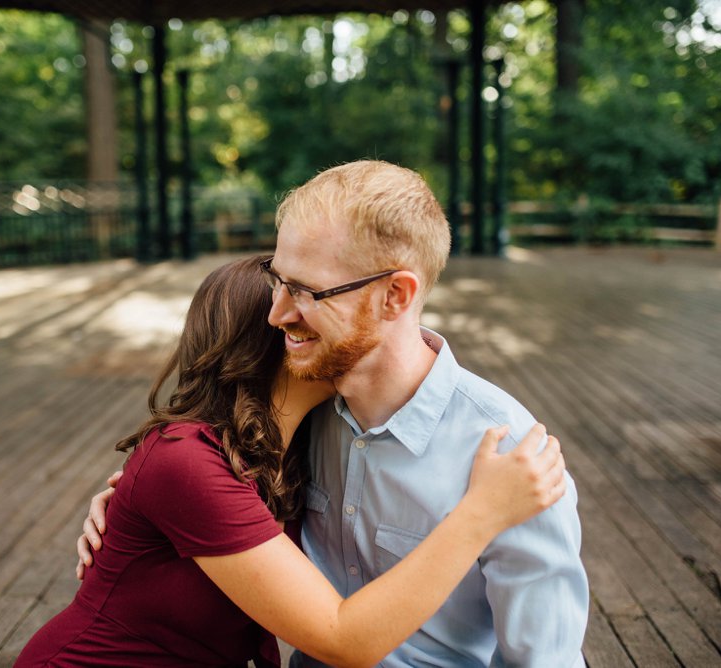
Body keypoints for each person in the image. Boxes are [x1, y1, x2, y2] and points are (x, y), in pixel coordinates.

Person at [80, 161, 589, 667]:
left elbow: (546, 659)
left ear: (395, 296)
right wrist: (134, 497)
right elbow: (210, 474)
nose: (277, 313)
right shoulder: (305, 418)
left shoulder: (511, 460)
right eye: (279, 282)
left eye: (306, 291)